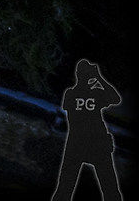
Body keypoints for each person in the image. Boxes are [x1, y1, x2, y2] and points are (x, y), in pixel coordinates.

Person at [52, 61, 126, 201]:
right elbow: (115, 98)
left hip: (79, 143)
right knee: (110, 190)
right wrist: (99, 78)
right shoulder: (95, 94)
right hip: (96, 142)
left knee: (65, 189)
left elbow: (60, 120)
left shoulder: (70, 94)